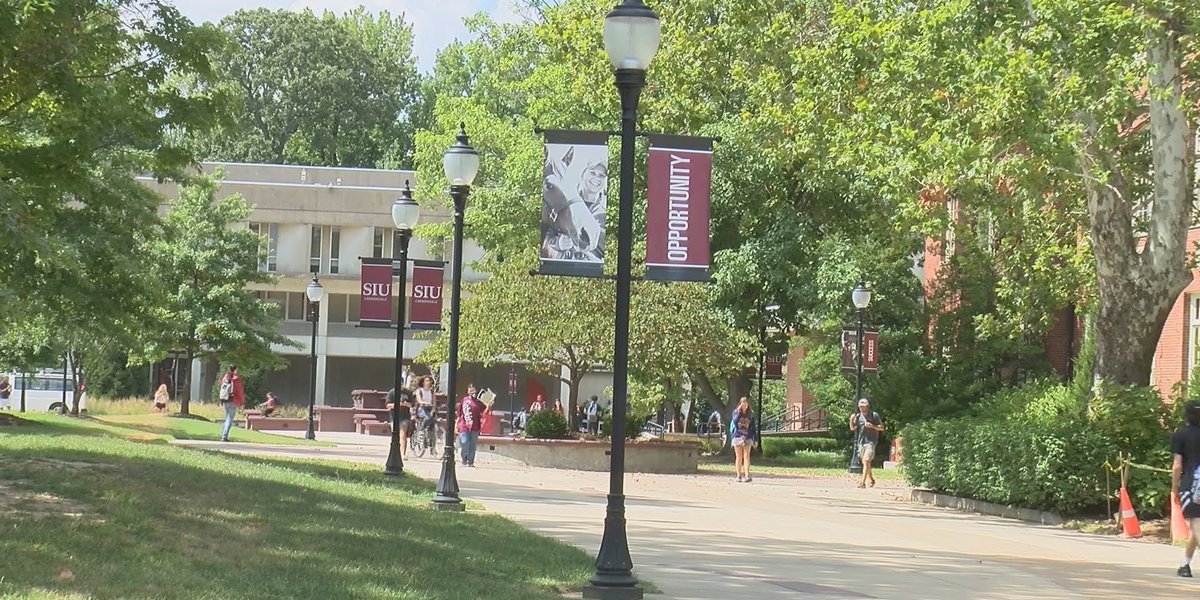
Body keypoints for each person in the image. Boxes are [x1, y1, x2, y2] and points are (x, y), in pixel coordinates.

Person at [1171, 400, 1200, 578]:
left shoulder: (1180, 435)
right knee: (1196, 529)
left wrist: (1175, 487)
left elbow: (1177, 465)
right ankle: (1185, 564)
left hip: (1192, 483)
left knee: (1196, 522)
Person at [850, 398, 884, 488]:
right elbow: (852, 428)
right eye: (860, 406)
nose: (862, 408)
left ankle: (862, 483)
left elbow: (881, 428)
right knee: (866, 462)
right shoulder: (858, 416)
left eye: (863, 406)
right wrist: (851, 419)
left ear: (867, 406)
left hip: (871, 442)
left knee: (866, 460)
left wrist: (872, 426)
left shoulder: (874, 415)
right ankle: (872, 479)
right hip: (861, 442)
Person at [456, 384, 486, 467]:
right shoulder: (464, 400)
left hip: (475, 426)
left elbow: (484, 412)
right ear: (468, 391)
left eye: (473, 390)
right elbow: (459, 414)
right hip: (464, 425)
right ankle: (464, 459)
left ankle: (470, 462)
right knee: (464, 442)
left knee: (473, 445)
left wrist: (489, 405)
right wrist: (456, 425)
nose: (472, 392)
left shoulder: (478, 402)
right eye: (470, 391)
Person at [729, 397, 757, 482]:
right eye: (742, 403)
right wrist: (739, 412)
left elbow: (753, 428)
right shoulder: (735, 412)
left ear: (748, 404)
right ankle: (738, 476)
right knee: (738, 456)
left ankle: (747, 475)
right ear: (740, 403)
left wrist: (755, 439)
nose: (744, 404)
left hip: (747, 437)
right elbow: (734, 422)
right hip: (737, 436)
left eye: (746, 403)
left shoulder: (751, 414)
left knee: (747, 456)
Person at [218, 365, 244, 442]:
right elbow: (239, 391)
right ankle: (224, 436)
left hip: (225, 400)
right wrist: (241, 401)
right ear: (235, 370)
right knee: (229, 419)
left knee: (227, 418)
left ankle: (222, 434)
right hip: (233, 400)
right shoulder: (236, 379)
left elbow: (222, 388)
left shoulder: (225, 377)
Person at [387, 385, 414, 458]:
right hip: (394, 417)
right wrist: (398, 404)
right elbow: (388, 405)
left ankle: (402, 453)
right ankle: (394, 452)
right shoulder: (392, 392)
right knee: (395, 435)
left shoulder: (407, 393)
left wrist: (406, 404)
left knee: (403, 434)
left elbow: (412, 404)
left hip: (405, 416)